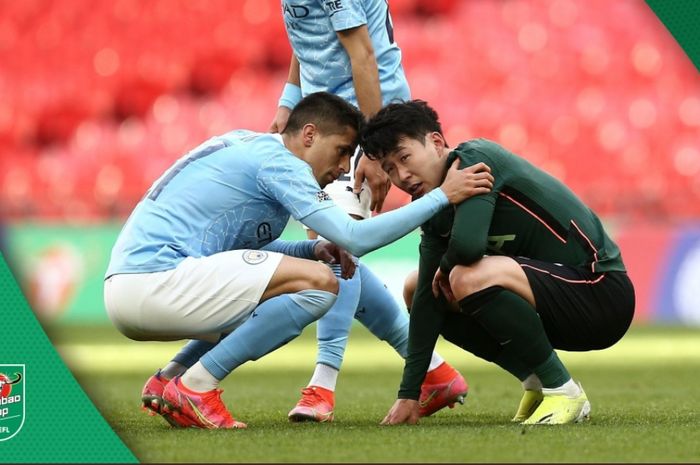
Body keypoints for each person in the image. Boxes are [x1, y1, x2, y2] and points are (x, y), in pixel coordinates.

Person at [104, 92, 493, 429]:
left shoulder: (248, 147)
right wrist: (442, 196)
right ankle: (196, 387)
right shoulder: (280, 164)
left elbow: (235, 260)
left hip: (133, 285)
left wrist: (311, 249)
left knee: (298, 275)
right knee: (320, 284)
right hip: (156, 280)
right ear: (309, 135)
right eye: (342, 151)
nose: (344, 167)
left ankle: (170, 379)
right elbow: (355, 238)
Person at [359, 100, 635, 426]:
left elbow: (469, 247)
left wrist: (445, 268)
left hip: (601, 291)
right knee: (417, 285)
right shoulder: (433, 204)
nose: (402, 175)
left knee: (463, 277)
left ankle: (564, 390)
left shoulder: (476, 161)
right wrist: (408, 393)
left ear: (435, 142)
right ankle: (535, 378)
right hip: (555, 304)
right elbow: (425, 301)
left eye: (404, 157)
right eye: (389, 168)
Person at [270, 0, 469, 423]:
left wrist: (375, 149)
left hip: (357, 123)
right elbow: (306, 35)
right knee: (338, 257)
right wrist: (290, 102)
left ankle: (322, 385)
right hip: (326, 121)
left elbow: (362, 53)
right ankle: (435, 372)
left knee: (335, 247)